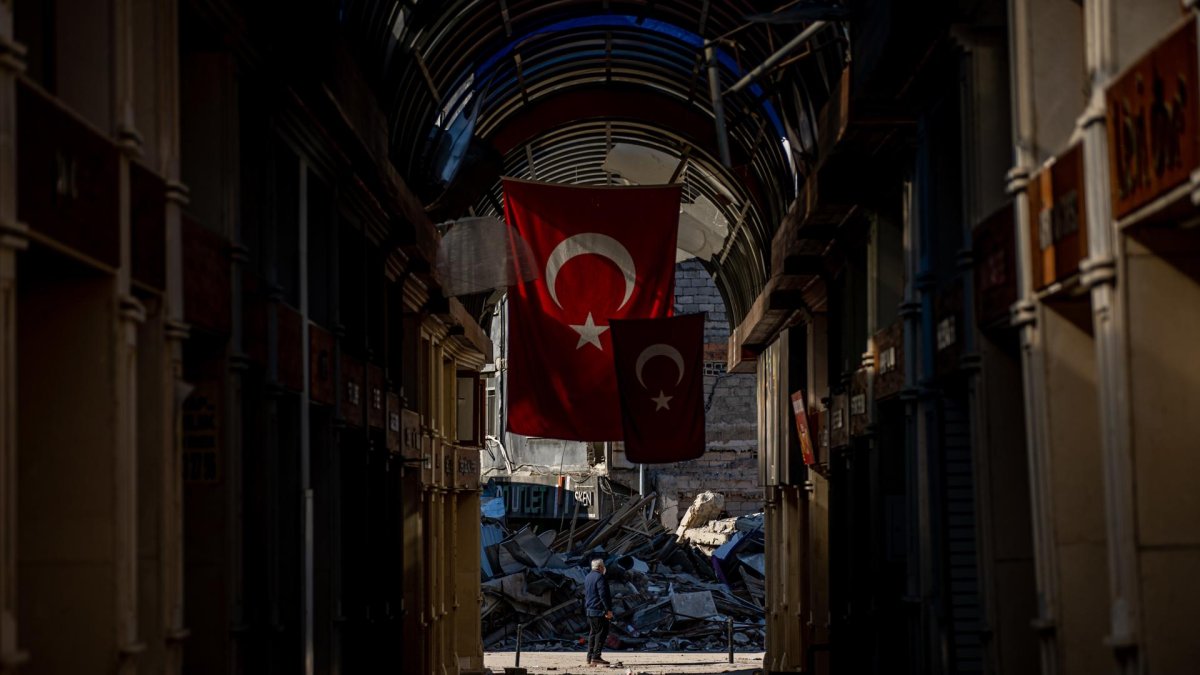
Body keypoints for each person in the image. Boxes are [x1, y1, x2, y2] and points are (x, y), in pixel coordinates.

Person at [583, 558, 613, 666]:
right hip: (599, 610)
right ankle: (596, 657)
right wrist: (608, 610)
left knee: (593, 633)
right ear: (600, 567)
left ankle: (589, 657)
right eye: (603, 566)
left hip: (590, 610)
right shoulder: (600, 577)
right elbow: (603, 595)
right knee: (601, 633)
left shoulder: (588, 577)